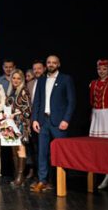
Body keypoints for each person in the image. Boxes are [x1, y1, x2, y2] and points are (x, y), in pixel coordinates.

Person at [31, 55, 76, 193]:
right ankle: (42, 181)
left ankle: (59, 181)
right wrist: (35, 119)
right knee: (42, 153)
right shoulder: (41, 80)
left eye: (54, 62)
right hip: (43, 121)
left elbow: (71, 101)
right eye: (49, 62)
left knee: (60, 153)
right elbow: (37, 101)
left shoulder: (65, 79)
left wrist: (66, 120)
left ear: (58, 64)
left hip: (59, 122)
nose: (51, 64)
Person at [89, 59, 108, 190]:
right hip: (96, 115)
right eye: (99, 69)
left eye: (104, 69)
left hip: (107, 115)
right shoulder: (93, 83)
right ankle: (95, 175)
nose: (101, 71)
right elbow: (91, 101)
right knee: (96, 147)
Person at [3, 69, 32, 187]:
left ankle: (20, 176)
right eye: (14, 78)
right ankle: (18, 176)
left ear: (22, 80)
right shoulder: (11, 91)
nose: (16, 80)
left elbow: (28, 110)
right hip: (10, 124)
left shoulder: (24, 91)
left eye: (18, 78)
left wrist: (14, 114)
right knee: (14, 151)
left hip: (20, 124)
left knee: (20, 149)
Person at [25, 60, 46, 182]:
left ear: (44, 69)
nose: (37, 71)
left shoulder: (47, 82)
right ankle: (37, 174)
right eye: (34, 69)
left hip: (44, 121)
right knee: (34, 148)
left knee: (43, 149)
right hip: (31, 121)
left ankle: (46, 177)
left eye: (39, 68)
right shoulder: (30, 84)